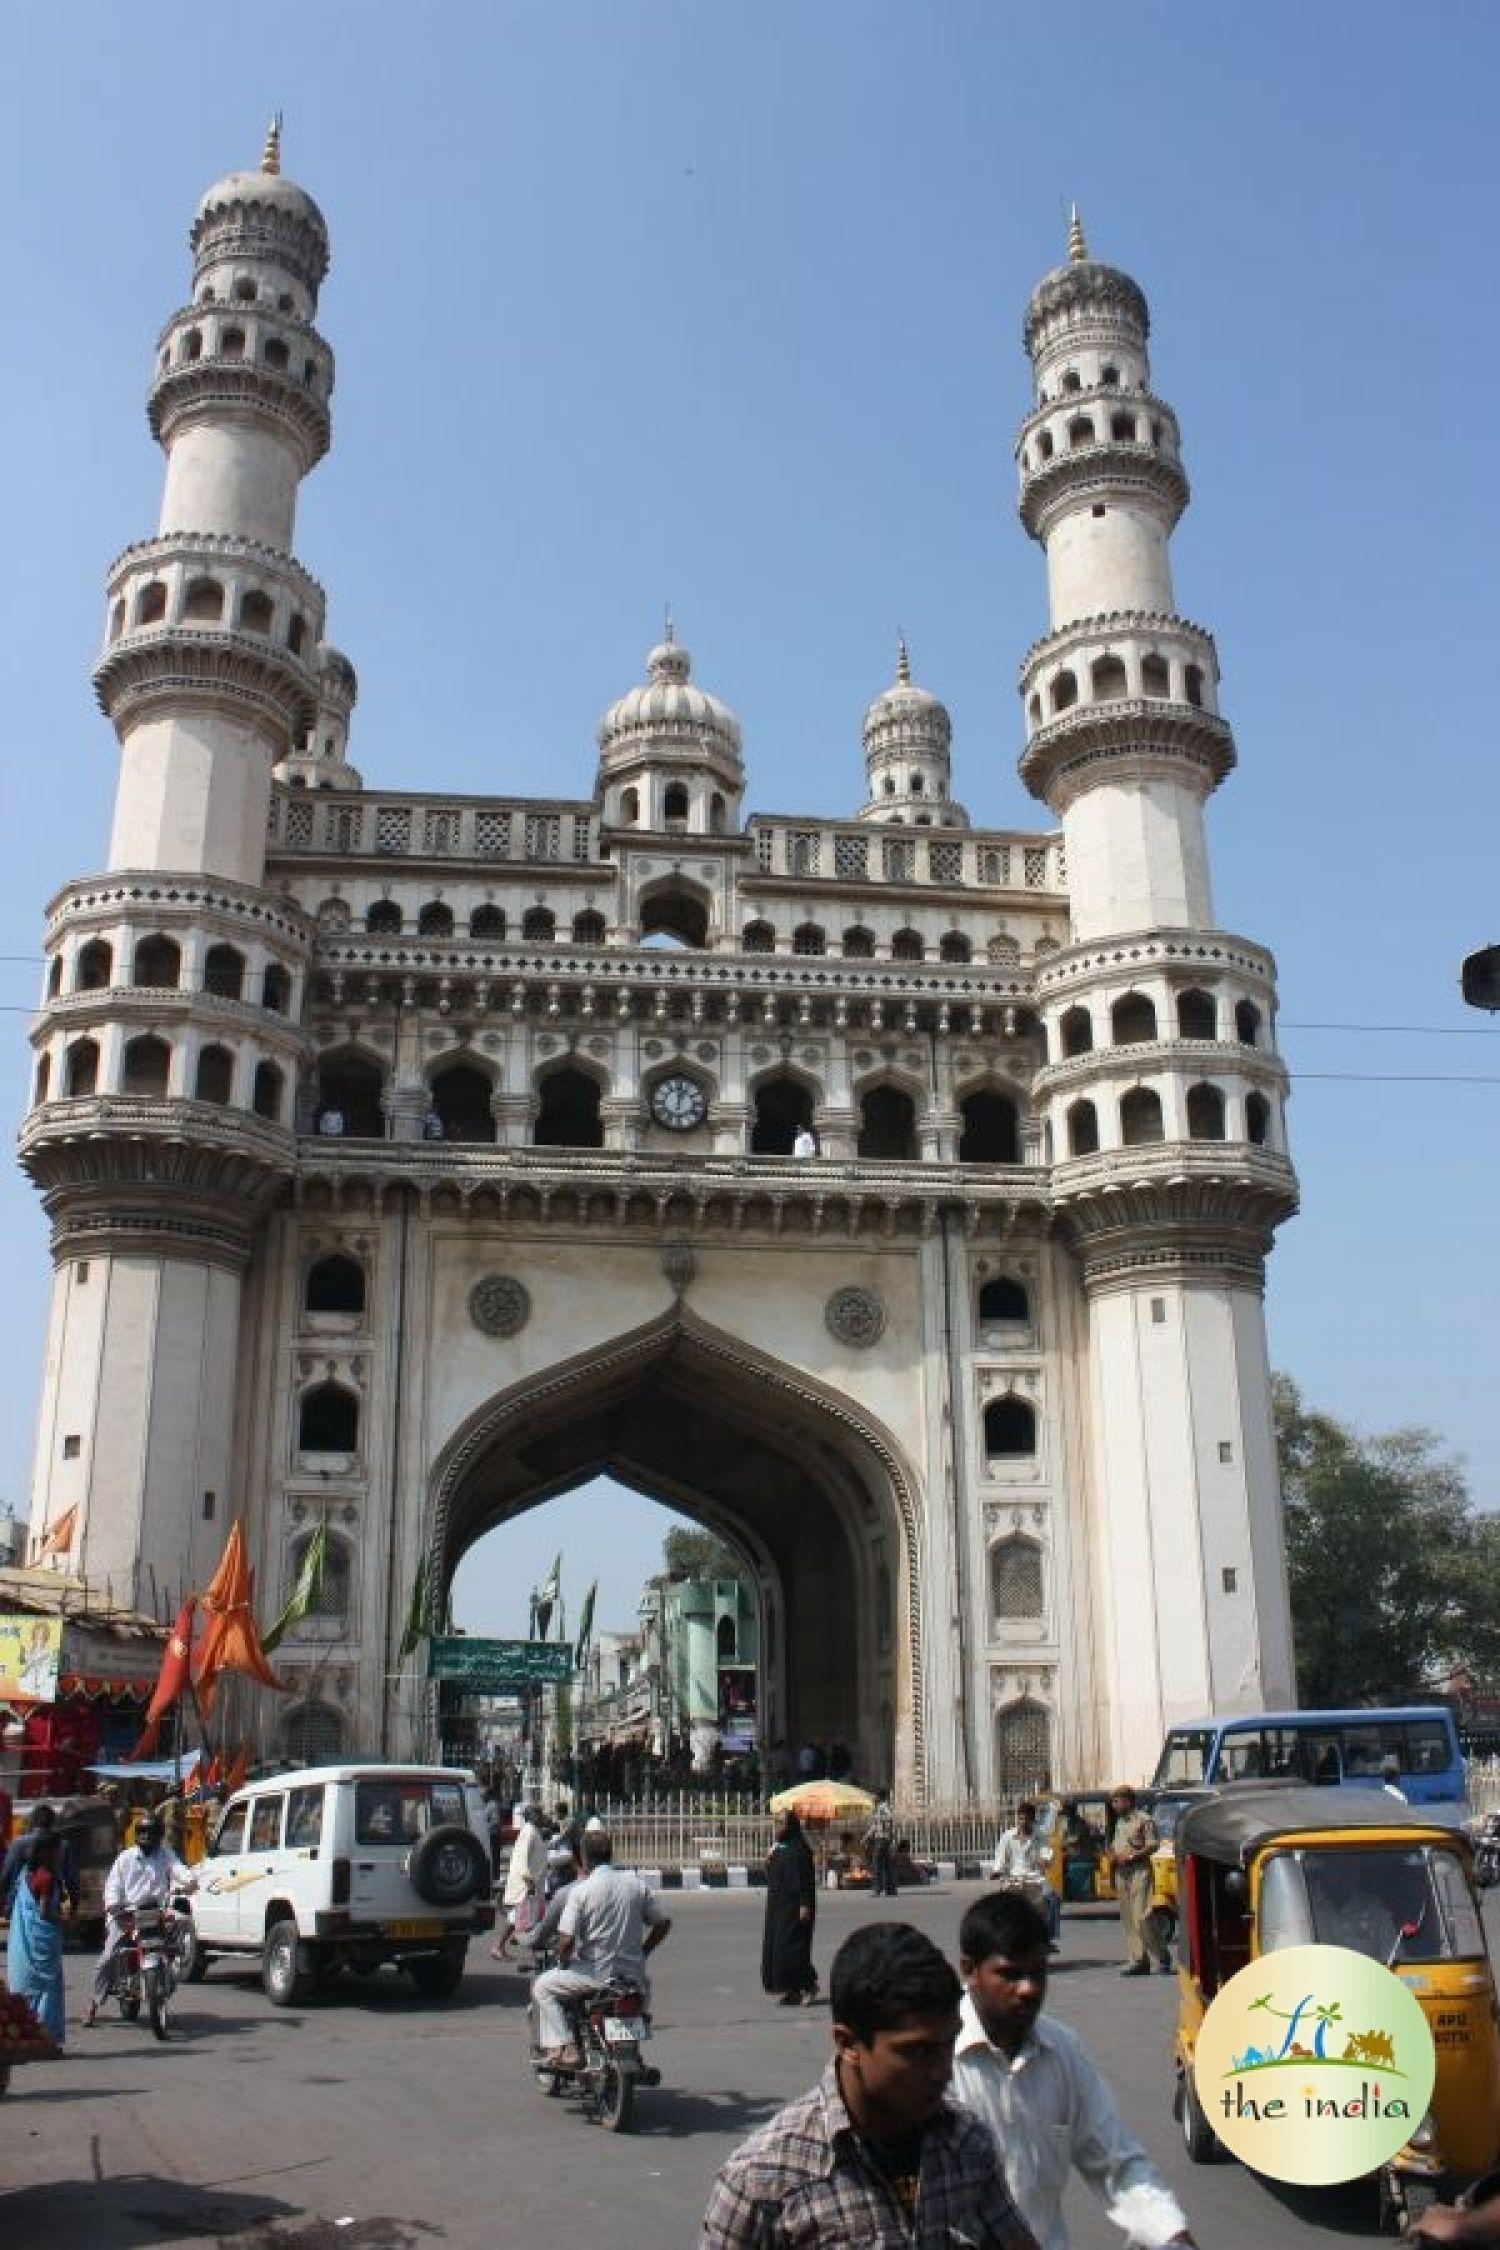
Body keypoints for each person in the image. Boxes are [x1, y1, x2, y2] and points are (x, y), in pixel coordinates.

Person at [702, 1921, 1038, 2247]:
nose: (942, 2072)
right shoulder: (764, 2178)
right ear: (848, 2044)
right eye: (917, 2051)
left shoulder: (965, 2142)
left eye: (948, 2044)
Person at [952, 1890, 1195, 2249]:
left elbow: (1116, 2162)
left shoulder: (1062, 2050)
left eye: (1038, 1973)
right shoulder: (937, 2060)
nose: (1028, 1989)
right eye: (1010, 1974)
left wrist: (1171, 2236)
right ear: (970, 1971)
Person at [532, 1829, 671, 2066]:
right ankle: (631, 2046)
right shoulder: (635, 1884)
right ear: (610, 1854)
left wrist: (563, 1960)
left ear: (584, 1859)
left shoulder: (581, 1891)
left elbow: (565, 1941)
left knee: (542, 1987)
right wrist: (644, 1951)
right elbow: (663, 1922)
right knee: (642, 1992)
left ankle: (566, 2047)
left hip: (596, 1976)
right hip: (633, 1976)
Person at [84, 1809, 195, 2026]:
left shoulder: (165, 1854)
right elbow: (113, 1887)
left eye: (151, 1832)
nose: (147, 1837)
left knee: (183, 1922)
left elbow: (180, 1869)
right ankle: (93, 2004)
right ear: (137, 1834)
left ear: (159, 1834)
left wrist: (189, 1882)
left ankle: (176, 1962)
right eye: (143, 1832)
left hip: (157, 1914)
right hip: (128, 1915)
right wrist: (115, 1906)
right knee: (108, 1957)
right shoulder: (125, 1859)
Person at [6, 1830, 67, 2049]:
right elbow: (43, 1912)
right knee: (47, 1990)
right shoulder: (47, 1877)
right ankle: (47, 2037)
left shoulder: (27, 1873)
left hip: (30, 1938)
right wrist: (64, 1918)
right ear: (46, 1852)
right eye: (57, 1849)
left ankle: (31, 2034)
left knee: (32, 1988)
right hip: (44, 1938)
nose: (60, 1854)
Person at [1107, 1786, 1168, 1976]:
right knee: (1128, 1919)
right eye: (1113, 1801)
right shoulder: (1117, 1822)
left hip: (1139, 1870)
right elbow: (1115, 1844)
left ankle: (1162, 1957)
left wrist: (1133, 1856)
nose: (1114, 1805)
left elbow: (1153, 1844)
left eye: (1118, 1801)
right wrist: (1112, 1855)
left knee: (1142, 1916)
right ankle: (1138, 1959)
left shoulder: (1143, 1820)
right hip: (1121, 1872)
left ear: (1128, 1801)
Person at [762, 1808, 818, 2005]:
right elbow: (773, 1875)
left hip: (796, 1906)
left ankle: (809, 1985)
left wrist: (805, 1904)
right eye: (776, 1823)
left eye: (782, 1823)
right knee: (778, 1949)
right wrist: (768, 1862)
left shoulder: (800, 1849)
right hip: (778, 1906)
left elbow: (805, 1879)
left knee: (793, 1948)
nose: (778, 1827)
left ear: (791, 1826)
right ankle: (792, 1990)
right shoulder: (779, 1848)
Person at [989, 1800, 1060, 1949]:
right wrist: (996, 1870)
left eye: (1026, 1819)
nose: (1023, 1822)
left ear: (1032, 1820)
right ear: (1017, 1819)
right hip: (1014, 1877)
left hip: (1035, 1878)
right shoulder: (1007, 1836)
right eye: (1020, 1818)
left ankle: (1047, 1937)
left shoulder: (1040, 1836)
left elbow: (1046, 1856)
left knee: (1052, 1900)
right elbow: (1000, 1856)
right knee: (1004, 1908)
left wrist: (1044, 1861)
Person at [1, 1803, 80, 1921]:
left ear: (32, 1822)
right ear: (53, 1823)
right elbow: (71, 1879)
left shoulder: (18, 1844)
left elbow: (6, 1875)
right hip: (53, 1906)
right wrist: (73, 1905)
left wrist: (5, 1903)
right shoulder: (62, 1845)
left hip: (19, 1906)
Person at [493, 1801, 548, 1961]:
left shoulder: (532, 1831)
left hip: (533, 1883)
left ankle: (504, 1946)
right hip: (527, 1885)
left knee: (527, 1917)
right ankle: (500, 1947)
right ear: (532, 1816)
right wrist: (528, 1881)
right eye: (538, 1813)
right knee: (523, 1918)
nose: (541, 1816)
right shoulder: (529, 1832)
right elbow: (522, 1858)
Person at [865, 1791, 898, 1899]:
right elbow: (875, 1825)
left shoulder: (883, 1807)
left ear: (879, 1796)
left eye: (874, 1795)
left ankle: (877, 1889)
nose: (872, 1797)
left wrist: (886, 1828)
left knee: (877, 1864)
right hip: (882, 1838)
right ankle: (891, 1889)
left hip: (882, 1838)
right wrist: (867, 1836)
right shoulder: (878, 1808)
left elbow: (889, 1817)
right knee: (887, 1864)